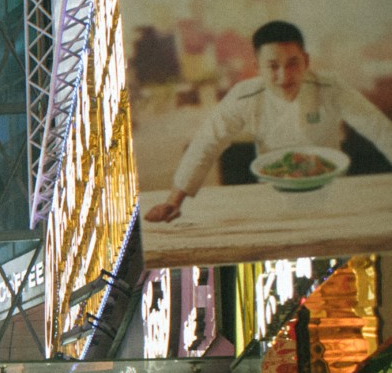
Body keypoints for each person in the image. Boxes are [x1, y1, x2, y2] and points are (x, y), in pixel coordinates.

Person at [144, 20, 392, 224]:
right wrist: (174, 201)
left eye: (293, 64)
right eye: (273, 66)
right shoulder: (245, 95)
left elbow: (377, 127)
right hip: (273, 196)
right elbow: (207, 142)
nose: (284, 76)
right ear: (257, 67)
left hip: (332, 192)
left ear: (305, 61)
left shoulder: (330, 86)